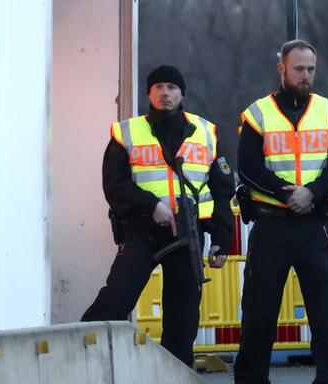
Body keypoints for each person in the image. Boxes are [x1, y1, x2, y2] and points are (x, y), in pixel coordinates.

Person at [82, 65, 235, 367]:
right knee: (116, 298)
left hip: (188, 232)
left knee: (184, 311)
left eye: (172, 87)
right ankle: (81, 358)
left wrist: (222, 238)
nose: (165, 93)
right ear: (149, 93)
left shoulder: (207, 132)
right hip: (143, 228)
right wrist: (151, 205)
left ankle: (174, 372)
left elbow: (222, 191)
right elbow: (114, 184)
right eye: (159, 87)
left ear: (182, 93)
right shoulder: (127, 131)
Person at [234, 40, 328, 384]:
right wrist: (290, 196)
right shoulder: (258, 113)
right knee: (259, 313)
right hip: (272, 224)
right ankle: (251, 379)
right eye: (298, 68)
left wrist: (311, 192)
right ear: (281, 69)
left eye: (311, 69)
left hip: (316, 224)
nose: (305, 75)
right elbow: (249, 167)